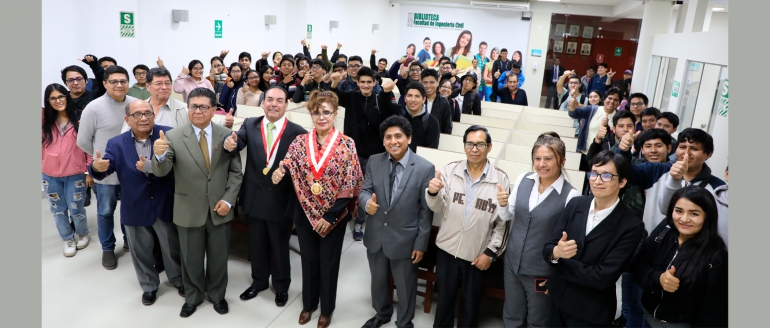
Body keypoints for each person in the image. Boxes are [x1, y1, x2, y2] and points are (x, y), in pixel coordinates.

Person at [270, 90, 363, 328]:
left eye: (326, 112)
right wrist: (280, 172)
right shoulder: (300, 142)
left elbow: (351, 182)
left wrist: (330, 216)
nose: (321, 117)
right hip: (304, 213)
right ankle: (308, 305)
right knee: (309, 260)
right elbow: (289, 165)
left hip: (335, 214)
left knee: (329, 262)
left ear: (335, 113)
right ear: (310, 114)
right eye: (316, 112)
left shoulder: (347, 144)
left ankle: (327, 309)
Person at [151, 87, 243, 317]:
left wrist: (228, 200)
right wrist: (159, 155)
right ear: (187, 108)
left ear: (214, 110)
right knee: (190, 258)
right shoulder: (172, 136)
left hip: (219, 208)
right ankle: (193, 296)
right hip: (188, 208)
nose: (198, 111)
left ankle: (217, 295)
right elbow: (162, 171)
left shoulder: (226, 135)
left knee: (219, 257)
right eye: (193, 106)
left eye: (204, 107)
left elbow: (236, 173)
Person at [89, 99, 183, 306]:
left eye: (147, 113)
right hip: (135, 205)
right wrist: (97, 168)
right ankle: (149, 286)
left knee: (172, 248)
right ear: (127, 119)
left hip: (164, 203)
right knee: (140, 251)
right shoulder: (116, 143)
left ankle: (178, 279)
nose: (143, 118)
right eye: (137, 115)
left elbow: (179, 166)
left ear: (154, 115)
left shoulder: (169, 134)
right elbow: (105, 168)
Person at [223, 86, 307, 307]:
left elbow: (301, 166)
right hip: (255, 196)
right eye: (269, 99)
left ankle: (281, 287)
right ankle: (258, 282)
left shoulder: (298, 132)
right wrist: (229, 143)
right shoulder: (250, 124)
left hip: (281, 198)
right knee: (257, 243)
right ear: (263, 102)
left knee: (280, 246)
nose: (274, 104)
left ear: (286, 105)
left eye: (280, 100)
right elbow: (236, 143)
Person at [542, 150, 645, 327]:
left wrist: (560, 263)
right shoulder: (576, 204)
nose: (597, 181)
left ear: (622, 182)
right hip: (557, 300)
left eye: (606, 175)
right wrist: (556, 253)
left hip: (589, 310)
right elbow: (547, 248)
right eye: (594, 174)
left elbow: (602, 277)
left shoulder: (631, 225)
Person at [426, 125, 511, 328]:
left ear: (489, 147)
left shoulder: (500, 179)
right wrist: (433, 193)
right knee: (444, 302)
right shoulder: (450, 170)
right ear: (464, 147)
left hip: (477, 255)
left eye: (480, 144)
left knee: (472, 306)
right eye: (470, 144)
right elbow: (438, 208)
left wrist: (490, 254)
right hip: (447, 249)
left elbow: (503, 223)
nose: (474, 149)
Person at [359, 115, 435, 328]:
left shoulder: (424, 168)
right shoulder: (375, 161)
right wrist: (366, 204)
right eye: (388, 137)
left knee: (405, 285)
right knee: (378, 282)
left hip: (405, 239)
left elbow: (425, 211)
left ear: (409, 138)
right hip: (376, 235)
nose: (393, 141)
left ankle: (404, 322)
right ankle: (381, 314)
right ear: (383, 141)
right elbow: (365, 190)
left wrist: (421, 244)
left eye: (398, 136)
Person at [496, 133, 580, 327]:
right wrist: (502, 204)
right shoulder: (524, 179)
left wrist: (557, 276)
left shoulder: (570, 195)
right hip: (512, 263)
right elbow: (507, 216)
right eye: (537, 158)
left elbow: (568, 241)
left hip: (541, 271)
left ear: (562, 161)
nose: (542, 164)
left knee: (537, 320)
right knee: (511, 314)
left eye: (548, 158)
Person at [632, 186, 728, 327]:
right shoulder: (663, 232)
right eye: (678, 211)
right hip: (648, 318)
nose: (684, 219)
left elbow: (714, 309)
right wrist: (659, 278)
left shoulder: (716, 255)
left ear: (708, 216)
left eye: (694, 214)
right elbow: (639, 266)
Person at [77, 65, 138, 269]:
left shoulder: (135, 104)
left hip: (131, 170)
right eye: (114, 81)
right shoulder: (93, 108)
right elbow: (83, 141)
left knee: (130, 209)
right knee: (105, 211)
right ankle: (108, 248)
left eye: (123, 81)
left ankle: (130, 242)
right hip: (106, 172)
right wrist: (99, 158)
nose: (119, 85)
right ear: (104, 83)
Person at [330, 67, 399, 240]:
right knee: (346, 186)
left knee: (364, 189)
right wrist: (334, 83)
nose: (366, 85)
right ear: (357, 83)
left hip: (373, 154)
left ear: (374, 82)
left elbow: (389, 109)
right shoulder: (351, 97)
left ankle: (360, 221)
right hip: (350, 152)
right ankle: (344, 216)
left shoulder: (379, 99)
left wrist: (385, 92)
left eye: (369, 82)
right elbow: (333, 98)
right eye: (363, 82)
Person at [651, 129, 728, 248]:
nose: (686, 153)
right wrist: (674, 179)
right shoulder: (661, 175)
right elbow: (665, 210)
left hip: (696, 253)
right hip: (660, 244)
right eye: (682, 147)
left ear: (708, 154)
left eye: (694, 148)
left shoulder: (718, 189)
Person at [42, 83, 92, 257]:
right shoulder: (44, 121)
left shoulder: (80, 119)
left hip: (75, 173)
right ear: (48, 101)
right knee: (58, 209)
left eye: (61, 96)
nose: (58, 101)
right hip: (50, 175)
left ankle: (83, 233)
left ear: (67, 96)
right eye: (53, 98)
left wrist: (88, 171)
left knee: (76, 207)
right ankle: (68, 238)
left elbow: (88, 147)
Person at [379, 81, 440, 152]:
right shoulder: (396, 111)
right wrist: (385, 92)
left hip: (417, 161)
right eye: (409, 96)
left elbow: (431, 149)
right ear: (405, 98)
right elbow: (383, 106)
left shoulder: (432, 122)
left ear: (423, 99)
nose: (413, 100)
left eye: (417, 96)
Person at [420, 69, 453, 134]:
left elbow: (447, 126)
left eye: (432, 82)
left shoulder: (444, 102)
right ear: (421, 83)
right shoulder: (417, 99)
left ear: (438, 82)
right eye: (425, 82)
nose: (428, 86)